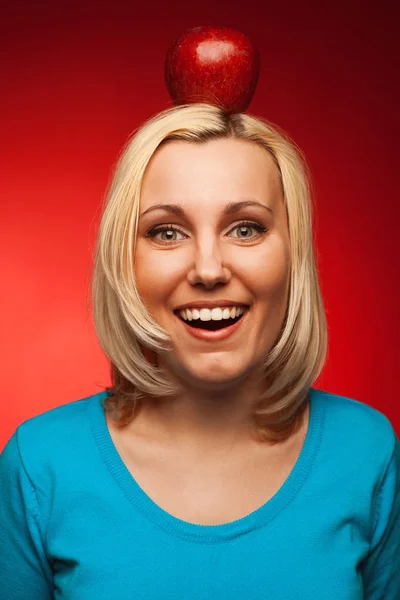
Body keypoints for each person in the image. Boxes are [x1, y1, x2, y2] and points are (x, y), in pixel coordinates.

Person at [0, 103, 399, 599]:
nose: (208, 270)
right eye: (167, 232)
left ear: (294, 257)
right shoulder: (40, 465)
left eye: (246, 228)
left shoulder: (367, 452)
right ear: (124, 261)